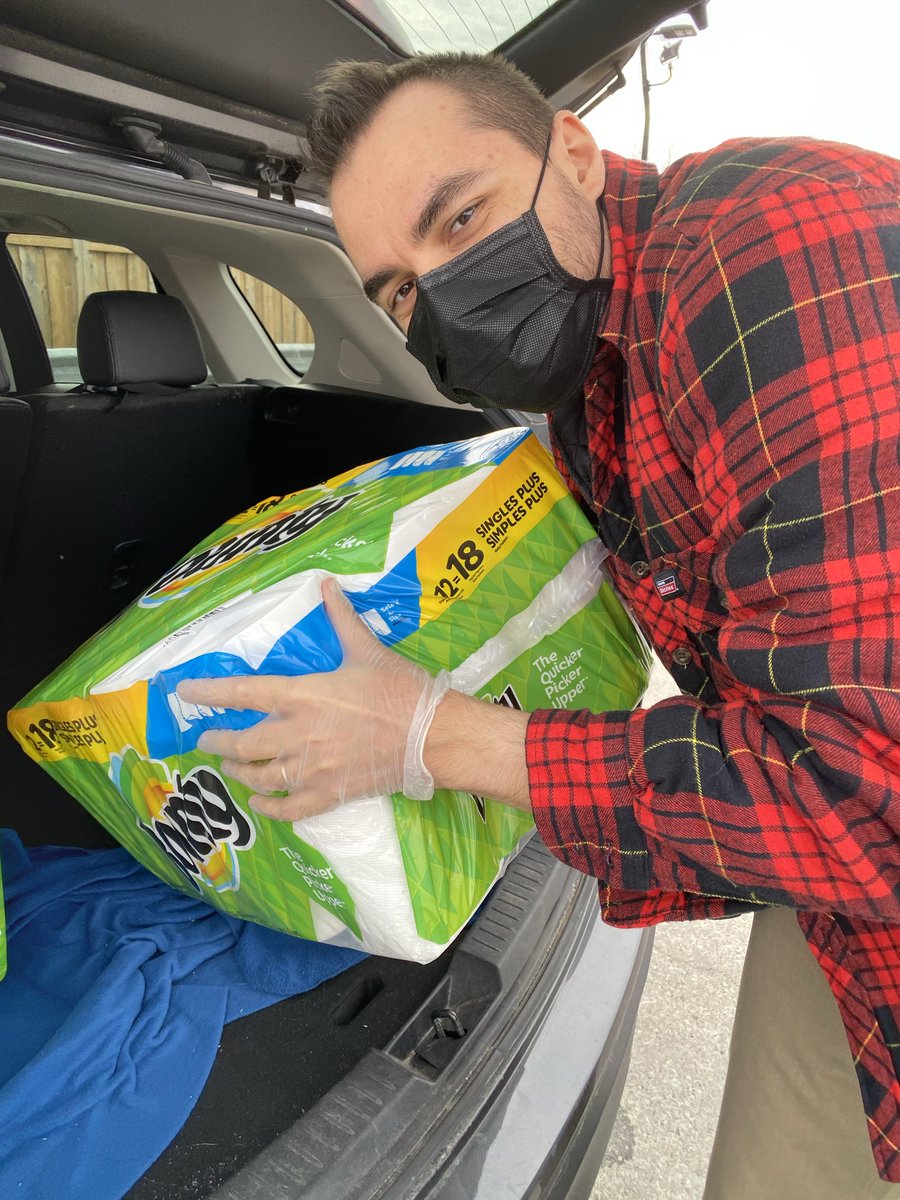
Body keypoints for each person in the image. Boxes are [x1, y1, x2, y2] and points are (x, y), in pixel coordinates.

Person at [177, 53, 900, 1197]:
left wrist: (430, 737)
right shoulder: (590, 388)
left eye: (461, 217)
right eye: (400, 291)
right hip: (849, 921)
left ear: (573, 150)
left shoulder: (770, 260)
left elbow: (861, 790)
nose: (444, 296)